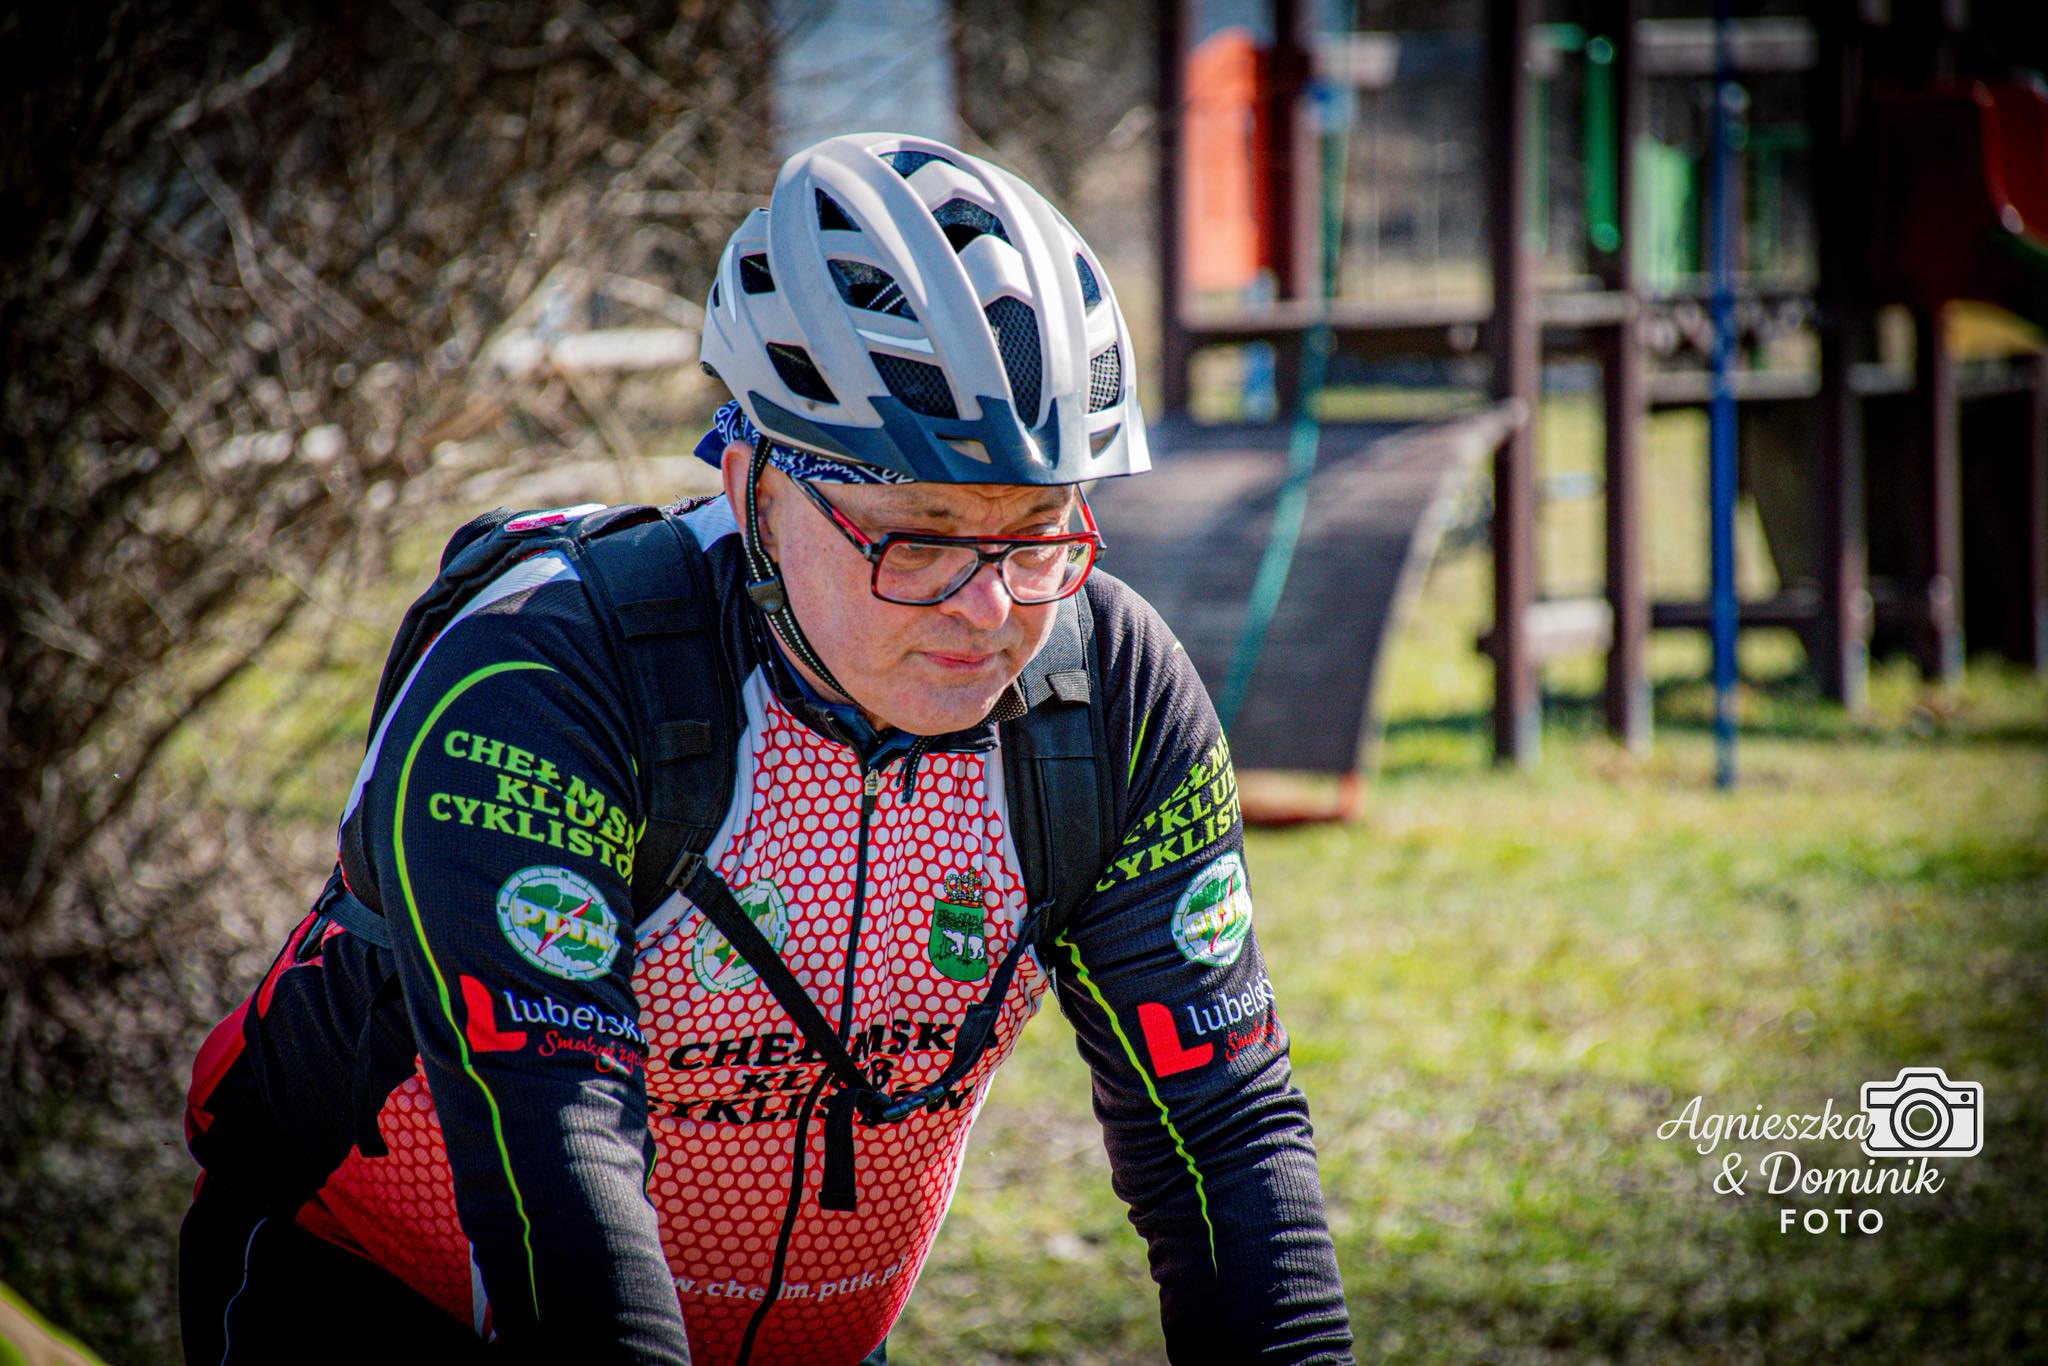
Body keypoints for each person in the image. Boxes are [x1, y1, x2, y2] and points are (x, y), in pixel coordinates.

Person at [179, 132, 1354, 1365]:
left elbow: (1223, 1131)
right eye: (918, 537)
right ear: (752, 487)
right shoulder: (542, 679)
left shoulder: (1107, 696)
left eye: (1038, 531)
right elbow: (559, 1172)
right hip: (368, 1293)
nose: (990, 607)